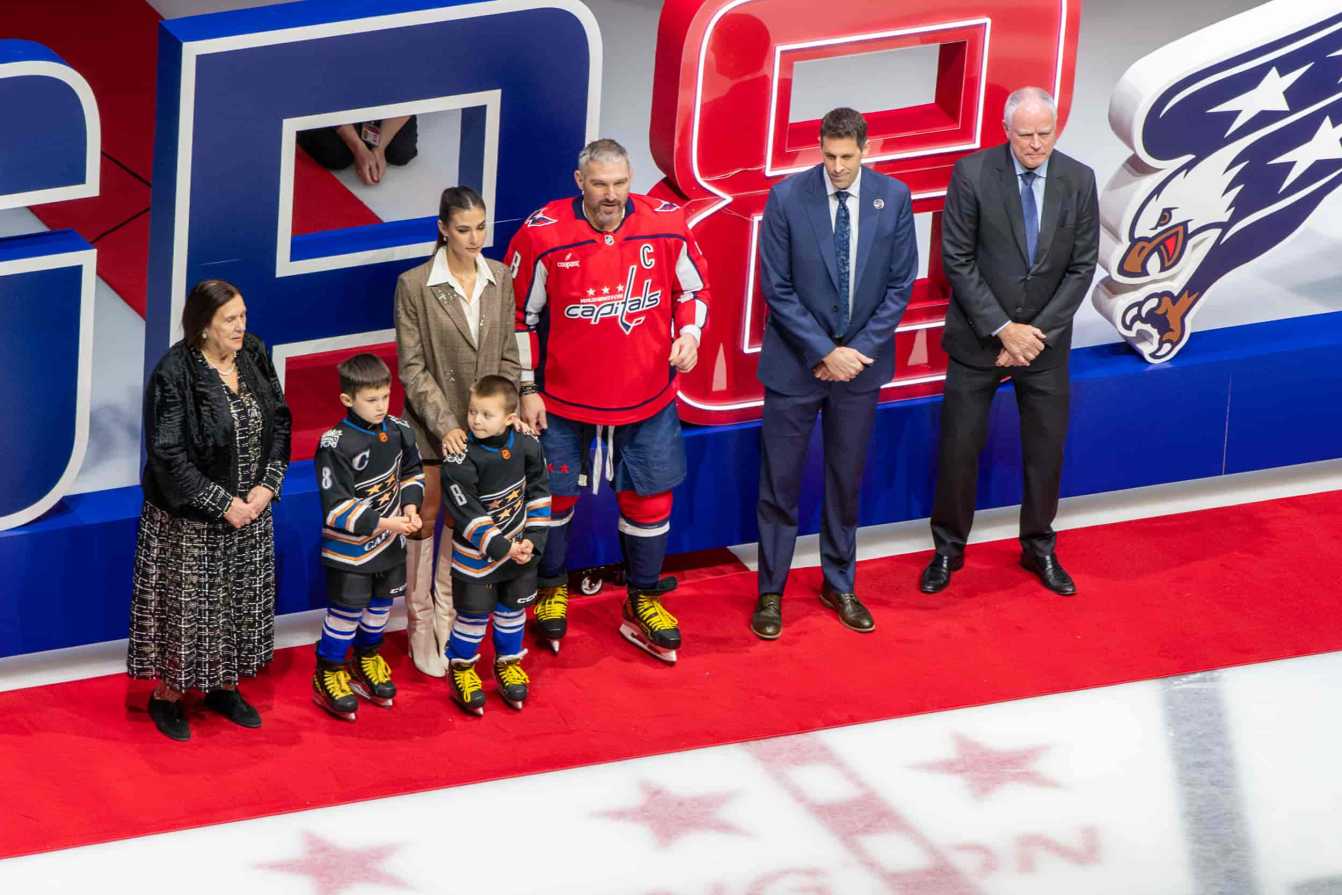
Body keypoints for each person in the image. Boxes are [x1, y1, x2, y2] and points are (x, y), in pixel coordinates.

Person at [507, 138, 710, 664]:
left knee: (650, 500)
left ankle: (642, 598)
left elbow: (692, 292)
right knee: (553, 499)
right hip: (560, 401)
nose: (611, 195)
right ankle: (550, 589)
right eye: (600, 184)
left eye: (620, 183)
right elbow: (518, 318)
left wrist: (689, 335)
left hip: (648, 395)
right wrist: (527, 388)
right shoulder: (542, 233)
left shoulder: (667, 223)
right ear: (580, 182)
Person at [920, 86, 1099, 597]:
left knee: (1045, 451)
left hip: (1043, 345)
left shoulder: (1078, 179)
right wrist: (1003, 328)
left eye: (1045, 133)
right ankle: (948, 549)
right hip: (979, 341)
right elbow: (957, 259)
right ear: (1006, 132)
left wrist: (1034, 336)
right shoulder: (972, 174)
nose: (1037, 144)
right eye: (1026, 135)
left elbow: (1082, 265)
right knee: (959, 450)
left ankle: (1039, 547)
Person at [751, 108, 918, 640]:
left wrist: (856, 352)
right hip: (795, 367)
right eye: (829, 156)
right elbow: (776, 288)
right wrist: (825, 351)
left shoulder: (893, 197)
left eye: (847, 156)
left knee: (845, 482)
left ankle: (839, 583)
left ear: (866, 149)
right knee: (779, 485)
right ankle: (771, 592)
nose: (838, 167)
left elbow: (901, 284)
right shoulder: (786, 198)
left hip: (859, 372)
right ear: (819, 147)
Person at [129, 279, 291, 741]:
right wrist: (223, 504)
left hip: (251, 514)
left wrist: (267, 487)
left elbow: (280, 421)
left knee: (236, 607)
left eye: (243, 316)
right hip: (192, 522)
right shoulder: (174, 373)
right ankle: (167, 697)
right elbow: (168, 455)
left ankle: (224, 687)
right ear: (203, 326)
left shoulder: (253, 352)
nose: (241, 327)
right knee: (187, 613)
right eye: (229, 320)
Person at [395, 186, 521, 677]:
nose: (475, 238)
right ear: (443, 229)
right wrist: (447, 424)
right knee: (425, 518)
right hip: (433, 428)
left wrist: (500, 414)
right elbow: (412, 368)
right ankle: (419, 621)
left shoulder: (501, 277)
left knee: (461, 519)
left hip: (484, 429)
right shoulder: (414, 284)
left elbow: (508, 354)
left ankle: (448, 614)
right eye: (464, 229)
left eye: (481, 228)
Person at [310, 354, 425, 721]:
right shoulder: (334, 444)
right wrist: (389, 523)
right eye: (371, 399)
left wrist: (411, 507)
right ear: (347, 399)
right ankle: (328, 670)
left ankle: (366, 657)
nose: (381, 406)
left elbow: (412, 473)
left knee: (380, 606)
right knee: (346, 611)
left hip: (390, 545)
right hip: (350, 553)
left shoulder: (400, 430)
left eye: (385, 396)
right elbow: (336, 508)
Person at [439, 376, 550, 714]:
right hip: (476, 559)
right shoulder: (459, 459)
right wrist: (503, 547)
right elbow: (468, 514)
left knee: (512, 612)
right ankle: (461, 668)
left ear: (509, 417)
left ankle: (508, 663)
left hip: (519, 552)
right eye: (472, 412)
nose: (476, 420)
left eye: (487, 414)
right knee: (472, 618)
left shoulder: (527, 444)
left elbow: (539, 492)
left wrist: (532, 540)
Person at [297, 115, 418, 186]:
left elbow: (408, 92)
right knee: (335, 156)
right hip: (333, 102)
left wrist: (380, 147)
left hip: (382, 97)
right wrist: (357, 146)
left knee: (401, 153)